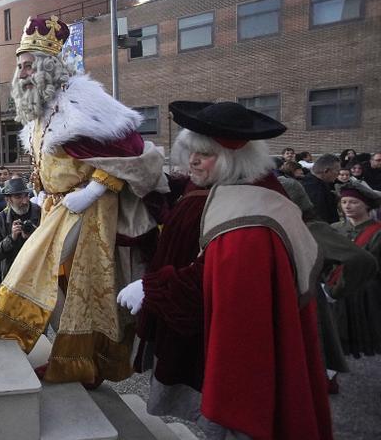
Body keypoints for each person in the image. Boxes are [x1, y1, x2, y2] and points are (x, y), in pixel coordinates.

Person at [117, 100, 332, 440]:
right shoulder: (242, 189)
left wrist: (152, 287)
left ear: (234, 159)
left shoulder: (248, 220)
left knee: (239, 419)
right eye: (191, 151)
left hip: (246, 354)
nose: (193, 161)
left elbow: (216, 281)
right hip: (232, 335)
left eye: (205, 154)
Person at [0, 15, 168, 386]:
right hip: (58, 207)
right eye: (20, 66)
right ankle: (64, 352)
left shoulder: (82, 101)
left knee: (67, 279)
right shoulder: (38, 109)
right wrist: (42, 187)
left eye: (29, 65)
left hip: (92, 210)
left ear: (49, 65)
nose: (22, 73)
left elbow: (131, 152)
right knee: (54, 278)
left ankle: (75, 359)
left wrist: (94, 190)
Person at [331, 185, 381, 358]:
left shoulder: (378, 232)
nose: (347, 206)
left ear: (366, 205)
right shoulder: (335, 229)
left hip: (367, 293)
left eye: (353, 202)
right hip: (337, 290)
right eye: (344, 202)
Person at [0, 177, 41, 280]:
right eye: (18, 197)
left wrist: (33, 236)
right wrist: (12, 238)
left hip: (38, 271)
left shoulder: (41, 212)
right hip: (12, 274)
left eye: (26, 195)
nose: (25, 201)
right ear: (8, 199)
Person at [302, 154, 341, 224]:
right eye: (337, 171)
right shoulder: (313, 188)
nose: (338, 174)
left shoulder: (322, 181)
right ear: (326, 171)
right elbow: (321, 217)